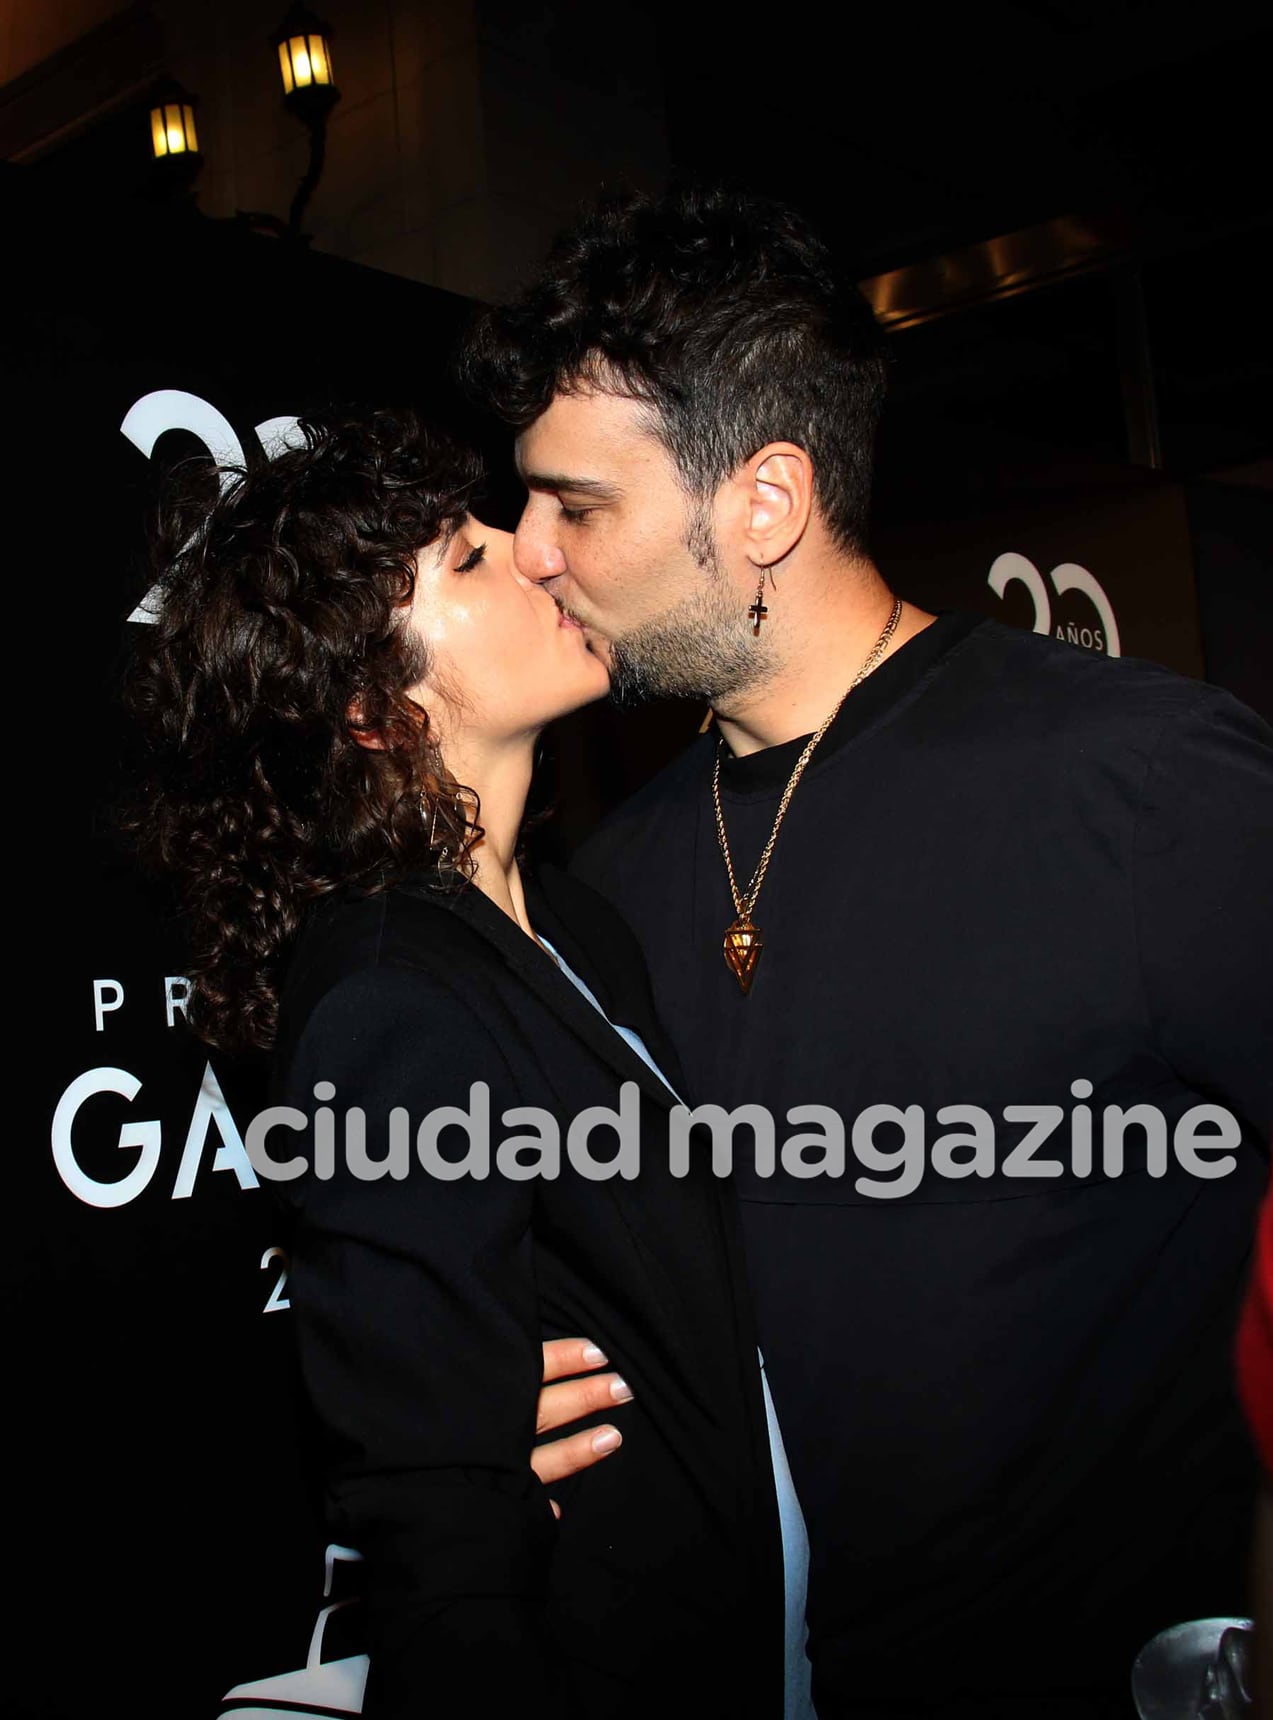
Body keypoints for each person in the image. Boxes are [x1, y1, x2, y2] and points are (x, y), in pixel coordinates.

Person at [462, 186, 1273, 1717]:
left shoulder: (1133, 783)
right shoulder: (611, 880)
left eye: (576, 505)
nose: (530, 553)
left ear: (762, 501)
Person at [122, 408, 797, 1718]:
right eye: (472, 560)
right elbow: (442, 1546)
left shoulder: (578, 921)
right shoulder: (388, 990)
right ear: (376, 708)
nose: (539, 557)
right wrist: (456, 1437)